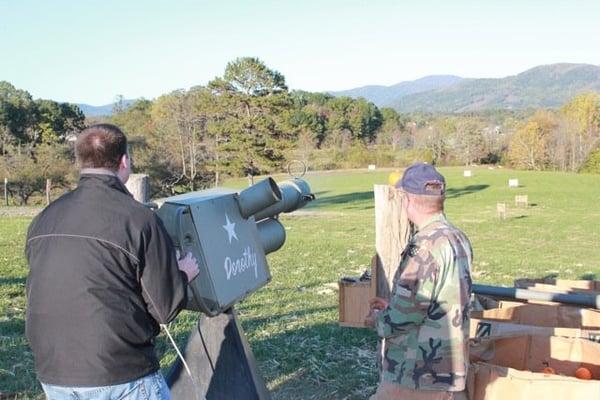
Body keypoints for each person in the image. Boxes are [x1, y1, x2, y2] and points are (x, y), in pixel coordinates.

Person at [25, 123, 199, 399]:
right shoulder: (140, 220)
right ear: (124, 161)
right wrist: (183, 274)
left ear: (79, 162)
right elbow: (163, 308)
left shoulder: (44, 217)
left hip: (52, 370)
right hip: (119, 371)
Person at [366, 163, 473, 400]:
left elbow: (404, 315)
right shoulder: (458, 238)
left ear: (407, 200)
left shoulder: (425, 246)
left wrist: (379, 320)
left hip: (415, 372)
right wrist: (394, 305)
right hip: (449, 370)